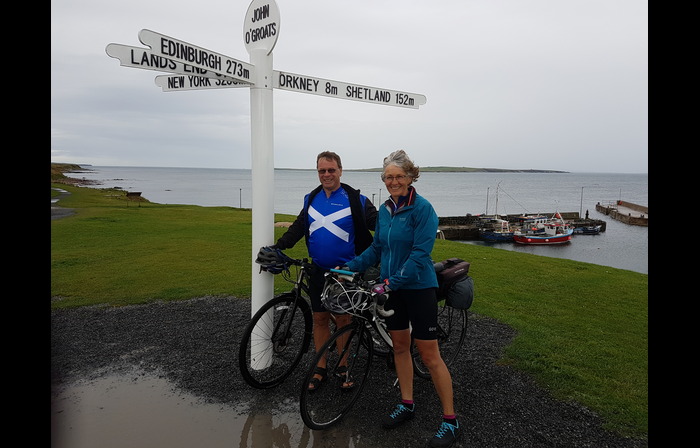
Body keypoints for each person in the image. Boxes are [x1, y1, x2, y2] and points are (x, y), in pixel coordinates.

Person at [342, 150, 460, 448]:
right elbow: (377, 249)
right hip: (392, 289)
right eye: (388, 177)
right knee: (399, 348)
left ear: (410, 177)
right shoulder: (385, 210)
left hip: (418, 288)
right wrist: (349, 267)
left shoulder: (423, 209)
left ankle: (450, 420)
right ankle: (407, 403)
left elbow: (420, 255)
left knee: (430, 356)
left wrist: (390, 282)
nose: (393, 182)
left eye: (399, 176)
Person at [267, 151, 377, 391]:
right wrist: (279, 246)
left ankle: (343, 366)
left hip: (346, 272)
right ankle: (320, 367)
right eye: (322, 171)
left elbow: (379, 225)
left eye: (331, 170)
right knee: (320, 318)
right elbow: (299, 227)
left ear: (340, 170)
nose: (326, 174)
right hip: (318, 270)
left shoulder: (356, 200)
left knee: (343, 319)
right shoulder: (311, 198)